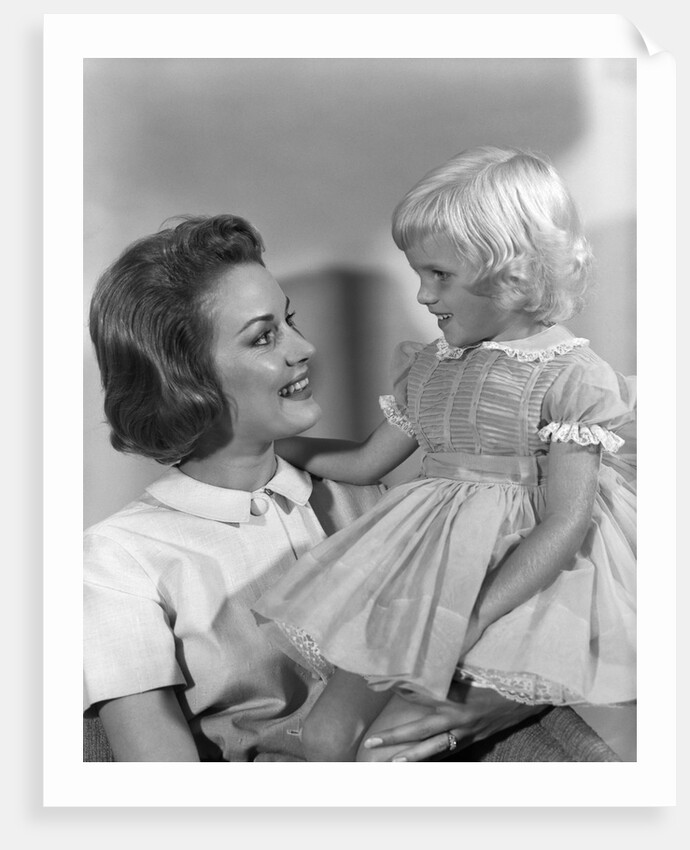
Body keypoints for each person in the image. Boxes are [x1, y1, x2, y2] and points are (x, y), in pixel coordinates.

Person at [83, 213, 538, 762]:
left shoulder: (378, 498)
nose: (304, 348)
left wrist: (490, 710)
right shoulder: (117, 560)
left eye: (290, 320)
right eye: (264, 337)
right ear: (183, 379)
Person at [253, 146, 637, 762]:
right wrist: (272, 443)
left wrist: (476, 613)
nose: (424, 295)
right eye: (418, 274)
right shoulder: (429, 368)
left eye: (440, 275)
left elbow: (567, 521)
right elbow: (366, 463)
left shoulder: (572, 378)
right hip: (423, 572)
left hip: (517, 583)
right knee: (328, 735)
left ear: (511, 277)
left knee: (394, 743)